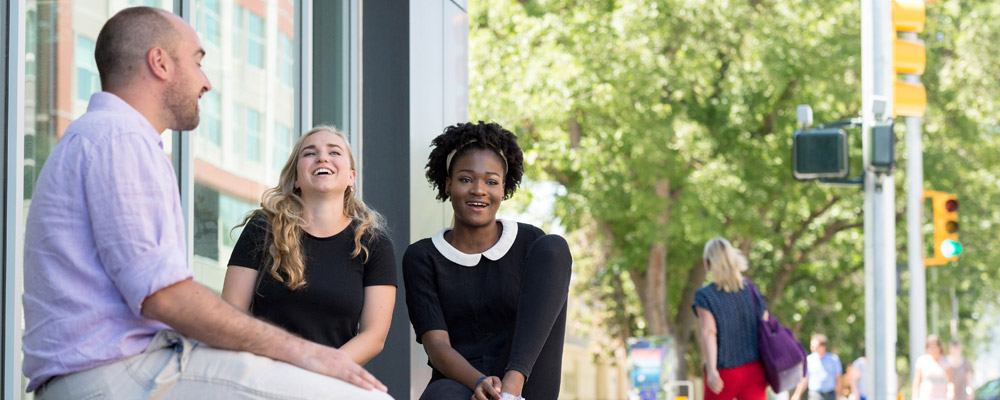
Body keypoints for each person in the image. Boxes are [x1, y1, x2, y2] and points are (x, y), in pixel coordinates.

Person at [21, 7, 389, 399]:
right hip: (119, 374)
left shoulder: (111, 138)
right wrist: (307, 355)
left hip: (130, 369)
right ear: (160, 63)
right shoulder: (118, 139)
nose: (206, 82)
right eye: (198, 61)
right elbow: (165, 295)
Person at [403, 121, 572, 400]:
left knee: (554, 246)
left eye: (491, 181)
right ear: (447, 185)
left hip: (526, 378)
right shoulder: (422, 257)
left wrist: (510, 387)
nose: (479, 190)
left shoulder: (531, 244)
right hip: (461, 379)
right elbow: (437, 346)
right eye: (466, 179)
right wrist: (481, 382)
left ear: (504, 189)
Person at [222, 126, 396, 365]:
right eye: (309, 153)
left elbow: (373, 336)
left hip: (332, 379)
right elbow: (232, 314)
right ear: (295, 178)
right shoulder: (263, 228)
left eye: (334, 152)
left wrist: (319, 368)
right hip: (264, 373)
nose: (322, 157)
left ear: (351, 178)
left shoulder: (374, 243)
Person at [692, 237, 769, 400]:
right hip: (755, 370)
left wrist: (712, 370)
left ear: (707, 263)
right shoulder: (750, 289)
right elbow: (765, 321)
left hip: (724, 372)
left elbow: (709, 332)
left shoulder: (705, 296)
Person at [791, 334, 843, 400]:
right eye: (811, 346)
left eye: (815, 346)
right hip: (815, 394)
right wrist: (797, 394)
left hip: (830, 394)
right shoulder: (809, 360)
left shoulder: (834, 359)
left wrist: (839, 395)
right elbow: (804, 379)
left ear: (823, 347)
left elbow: (838, 378)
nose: (812, 348)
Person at [912, 335, 952, 400]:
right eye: (929, 346)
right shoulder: (921, 361)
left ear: (939, 347)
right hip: (925, 397)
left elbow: (950, 381)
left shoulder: (946, 361)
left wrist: (951, 393)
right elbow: (917, 381)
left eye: (934, 346)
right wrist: (915, 397)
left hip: (942, 397)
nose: (932, 349)